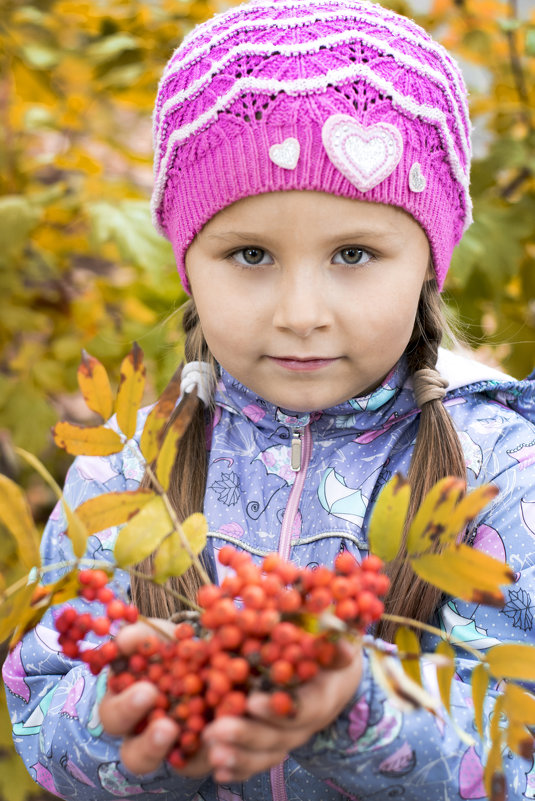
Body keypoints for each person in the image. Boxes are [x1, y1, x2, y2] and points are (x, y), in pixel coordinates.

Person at [3, 0, 535, 798]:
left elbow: (517, 756)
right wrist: (131, 720)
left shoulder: (497, 469)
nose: (299, 311)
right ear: (190, 263)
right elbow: (42, 713)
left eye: (353, 252)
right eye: (250, 252)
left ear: (427, 264)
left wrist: (356, 709)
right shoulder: (126, 467)